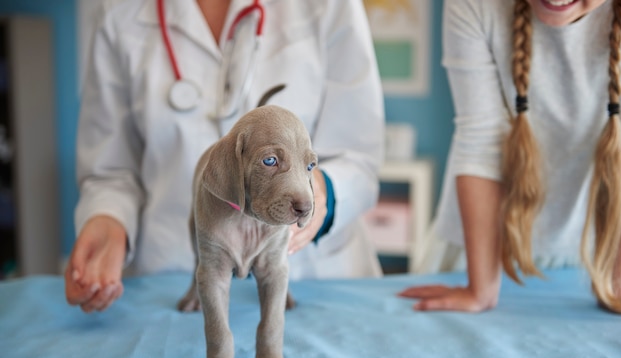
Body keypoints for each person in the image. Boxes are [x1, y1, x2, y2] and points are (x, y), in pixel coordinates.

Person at [65, 0, 385, 313]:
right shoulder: (119, 11)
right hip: (170, 278)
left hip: (312, 277)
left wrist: (318, 188)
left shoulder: (330, 5)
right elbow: (110, 170)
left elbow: (358, 156)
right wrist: (109, 216)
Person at [399, 0, 621, 314]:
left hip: (592, 252)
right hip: (477, 248)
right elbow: (481, 142)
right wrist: (480, 290)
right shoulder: (473, 5)